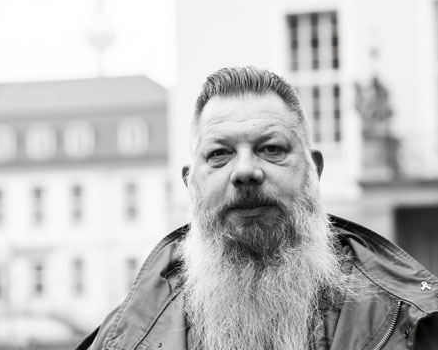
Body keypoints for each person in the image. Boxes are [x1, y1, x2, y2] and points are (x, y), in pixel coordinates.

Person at [75, 66, 438, 350]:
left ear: (315, 171)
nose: (246, 171)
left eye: (272, 149)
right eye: (219, 154)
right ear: (191, 183)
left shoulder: (414, 323)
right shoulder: (121, 339)